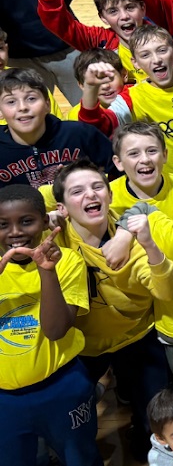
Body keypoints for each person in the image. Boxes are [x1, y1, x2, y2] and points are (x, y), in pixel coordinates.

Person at [53, 160, 173, 463]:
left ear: (109, 195)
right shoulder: (53, 236)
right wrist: (42, 218)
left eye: (97, 187)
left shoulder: (133, 235)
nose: (90, 195)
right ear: (63, 206)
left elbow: (168, 290)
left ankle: (142, 439)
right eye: (77, 191)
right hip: (83, 343)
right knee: (76, 419)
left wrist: (149, 246)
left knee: (155, 418)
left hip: (137, 334)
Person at [0, 183, 102, 466]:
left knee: (80, 456)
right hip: (5, 399)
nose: (15, 232)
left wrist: (47, 271)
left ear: (45, 221)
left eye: (26, 221)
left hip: (62, 386)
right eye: (3, 225)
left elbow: (55, 330)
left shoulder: (66, 261)